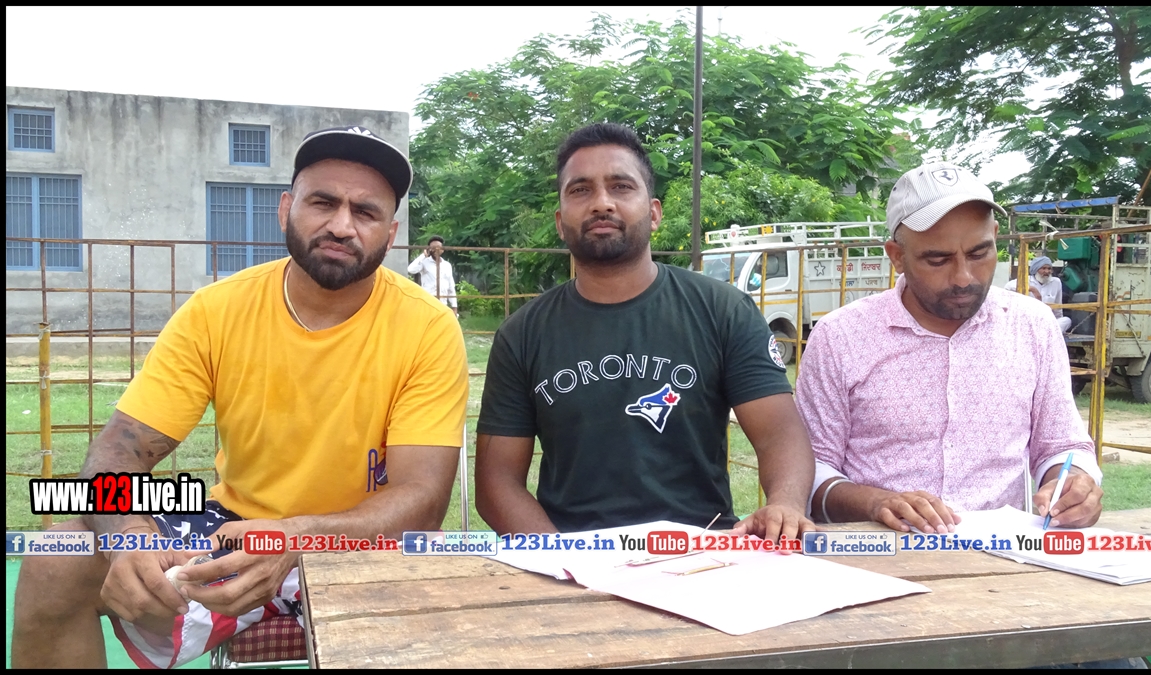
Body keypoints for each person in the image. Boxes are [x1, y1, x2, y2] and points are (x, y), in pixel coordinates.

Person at [11, 126, 469, 669]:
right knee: (54, 559)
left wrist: (294, 538)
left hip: (363, 538)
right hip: (230, 526)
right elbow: (119, 449)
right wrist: (128, 534)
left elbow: (422, 500)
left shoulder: (427, 327)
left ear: (390, 234)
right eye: (323, 202)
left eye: (365, 212)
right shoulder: (217, 309)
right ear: (285, 209)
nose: (341, 225)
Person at [475, 123, 817, 543]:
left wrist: (785, 502)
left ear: (654, 213)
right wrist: (563, 557)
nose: (602, 203)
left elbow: (780, 434)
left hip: (703, 552)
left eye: (621, 187)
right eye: (580, 190)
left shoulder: (723, 310)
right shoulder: (522, 334)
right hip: (572, 553)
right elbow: (496, 482)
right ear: (560, 222)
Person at [796, 161, 1102, 535]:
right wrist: (875, 503)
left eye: (979, 253)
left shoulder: (1032, 326)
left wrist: (1074, 484)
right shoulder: (841, 337)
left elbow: (1061, 445)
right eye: (937, 259)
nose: (963, 278)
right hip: (878, 554)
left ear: (995, 237)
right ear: (896, 256)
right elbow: (809, 469)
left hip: (1001, 558)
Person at [1006, 256, 1072, 332]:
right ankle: (1047, 334)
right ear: (1036, 269)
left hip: (1047, 322)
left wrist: (1058, 323)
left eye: (1049, 268)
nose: (1047, 271)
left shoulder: (1056, 282)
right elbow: (1008, 287)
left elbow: (1058, 308)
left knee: (1066, 320)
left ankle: (1046, 333)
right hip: (1029, 320)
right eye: (1043, 268)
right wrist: (1032, 289)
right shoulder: (1027, 280)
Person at [407, 235, 459, 316]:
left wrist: (454, 307)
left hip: (442, 304)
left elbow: (451, 287)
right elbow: (410, 269)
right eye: (433, 248)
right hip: (428, 302)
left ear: (442, 250)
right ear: (429, 249)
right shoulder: (424, 262)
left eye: (438, 247)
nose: (435, 250)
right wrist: (423, 255)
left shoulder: (447, 265)